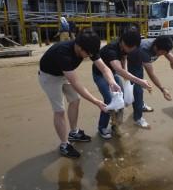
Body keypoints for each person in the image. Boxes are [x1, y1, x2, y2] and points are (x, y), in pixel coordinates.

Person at [38, 29, 121, 158]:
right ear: (79, 47)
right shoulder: (63, 53)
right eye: (87, 54)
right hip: (49, 77)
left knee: (75, 100)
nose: (89, 56)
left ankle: (74, 132)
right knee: (59, 111)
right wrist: (97, 102)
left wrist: (112, 82)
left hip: (64, 74)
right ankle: (64, 145)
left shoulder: (89, 47)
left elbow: (104, 68)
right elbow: (77, 84)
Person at [92, 28, 152, 139]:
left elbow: (124, 59)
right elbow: (119, 70)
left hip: (113, 72)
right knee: (110, 99)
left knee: (121, 99)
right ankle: (102, 128)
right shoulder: (112, 50)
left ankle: (116, 125)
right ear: (123, 42)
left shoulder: (126, 48)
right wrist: (139, 81)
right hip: (100, 74)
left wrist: (126, 73)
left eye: (133, 49)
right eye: (130, 48)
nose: (130, 51)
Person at [127, 36, 173, 128]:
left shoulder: (162, 45)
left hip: (141, 61)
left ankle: (141, 104)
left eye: (166, 52)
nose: (164, 54)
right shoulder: (144, 51)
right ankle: (138, 119)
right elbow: (151, 74)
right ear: (156, 47)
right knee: (137, 89)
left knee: (141, 85)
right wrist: (162, 89)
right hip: (132, 61)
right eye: (163, 52)